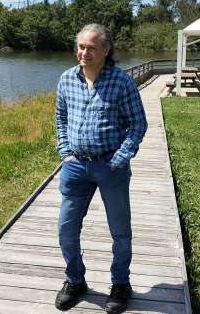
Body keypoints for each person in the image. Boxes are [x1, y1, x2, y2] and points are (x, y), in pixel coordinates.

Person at [54, 24, 148, 313]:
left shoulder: (121, 82)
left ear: (106, 50)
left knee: (120, 232)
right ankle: (75, 280)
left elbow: (138, 124)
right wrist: (65, 152)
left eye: (91, 48)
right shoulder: (66, 79)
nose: (84, 53)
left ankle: (120, 284)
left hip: (111, 167)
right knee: (66, 229)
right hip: (75, 167)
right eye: (81, 47)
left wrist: (120, 158)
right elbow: (60, 118)